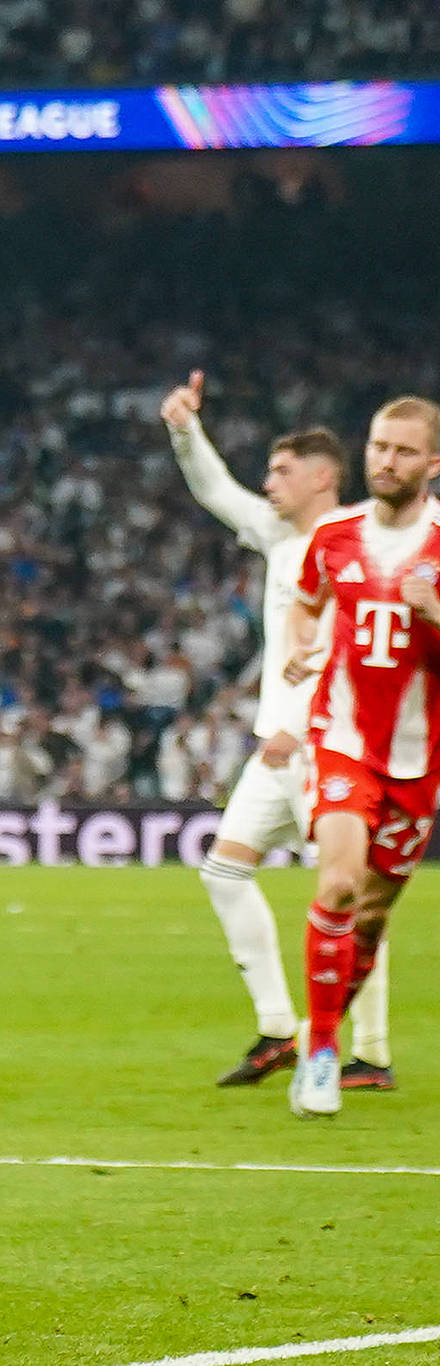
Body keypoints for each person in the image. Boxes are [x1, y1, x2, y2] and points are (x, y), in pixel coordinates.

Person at [159, 373, 394, 1087]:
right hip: (279, 748)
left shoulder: (357, 541)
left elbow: (351, 650)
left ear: (324, 477)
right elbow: (215, 489)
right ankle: (277, 1031)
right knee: (224, 870)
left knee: (344, 893)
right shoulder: (277, 535)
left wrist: (297, 724)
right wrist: (184, 429)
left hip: (326, 745)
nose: (268, 482)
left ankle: (370, 1053)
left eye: (283, 470)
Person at [284, 395, 440, 1118]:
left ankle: (328, 1031)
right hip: (343, 740)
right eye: (379, 446)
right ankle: (318, 1055)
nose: (386, 460)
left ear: (432, 465)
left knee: (370, 920)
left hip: (418, 761)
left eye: (404, 451)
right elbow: (305, 601)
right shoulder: (334, 534)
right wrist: (296, 646)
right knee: (339, 884)